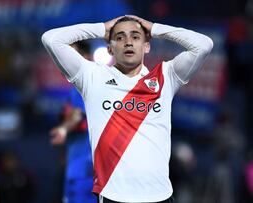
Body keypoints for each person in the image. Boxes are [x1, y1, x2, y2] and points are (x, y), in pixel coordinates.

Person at [42, 15, 213, 203]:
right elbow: (51, 39)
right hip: (114, 196)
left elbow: (203, 45)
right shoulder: (91, 76)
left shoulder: (166, 77)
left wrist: (154, 28)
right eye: (120, 37)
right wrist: (102, 29)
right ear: (109, 48)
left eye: (135, 37)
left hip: (160, 196)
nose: (128, 42)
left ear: (146, 46)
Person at [49, 41, 96, 203]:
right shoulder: (89, 83)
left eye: (72, 55)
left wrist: (63, 129)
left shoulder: (85, 82)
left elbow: (77, 116)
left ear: (87, 57)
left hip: (84, 171)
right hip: (86, 166)